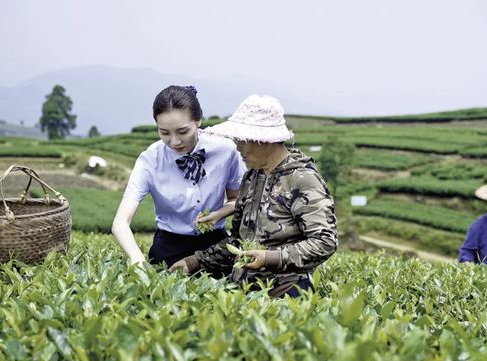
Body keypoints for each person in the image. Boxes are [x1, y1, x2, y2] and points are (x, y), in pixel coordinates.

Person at [168, 95, 337, 298]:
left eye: (243, 140)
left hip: (285, 292)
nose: (238, 147)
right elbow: (239, 241)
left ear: (265, 140)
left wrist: (270, 258)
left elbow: (325, 240)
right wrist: (194, 261)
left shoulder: (302, 178)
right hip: (244, 290)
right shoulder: (251, 177)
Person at [112, 85, 246, 268]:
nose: (174, 141)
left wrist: (218, 214)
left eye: (183, 131)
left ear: (198, 120)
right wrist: (138, 260)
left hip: (216, 247)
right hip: (169, 247)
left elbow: (236, 199)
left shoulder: (225, 150)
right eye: (164, 133)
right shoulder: (150, 160)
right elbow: (120, 222)